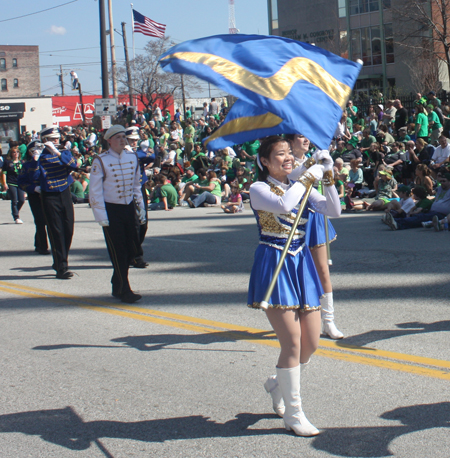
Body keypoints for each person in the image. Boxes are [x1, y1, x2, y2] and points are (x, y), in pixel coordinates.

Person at [248, 136, 340, 436]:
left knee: (311, 343)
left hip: (301, 263)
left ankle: (277, 384)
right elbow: (284, 204)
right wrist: (307, 176)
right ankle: (294, 413)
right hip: (274, 263)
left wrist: (326, 177)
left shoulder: (297, 184)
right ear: (265, 161)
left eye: (289, 153)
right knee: (292, 343)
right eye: (279, 154)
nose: (287, 158)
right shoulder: (258, 188)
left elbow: (333, 211)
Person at [286, 134, 343, 340]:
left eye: (307, 137)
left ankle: (328, 321)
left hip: (314, 215)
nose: (306, 140)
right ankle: (298, 318)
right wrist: (313, 162)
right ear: (291, 142)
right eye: (300, 137)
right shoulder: (286, 161)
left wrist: (327, 168)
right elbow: (293, 176)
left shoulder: (315, 157)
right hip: (291, 218)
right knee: (296, 272)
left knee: (322, 271)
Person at [89, 125, 145, 303]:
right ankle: (125, 289)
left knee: (132, 249)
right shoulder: (101, 160)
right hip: (111, 210)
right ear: (109, 141)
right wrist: (101, 217)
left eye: (124, 137)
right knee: (118, 251)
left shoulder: (132, 157)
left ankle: (117, 281)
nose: (122, 140)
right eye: (118, 137)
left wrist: (141, 208)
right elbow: (95, 192)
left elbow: (136, 185)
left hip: (128, 208)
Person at [37, 127, 77, 279]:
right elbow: (33, 175)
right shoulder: (39, 157)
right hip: (50, 195)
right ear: (45, 141)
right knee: (56, 231)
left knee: (68, 228)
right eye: (52, 139)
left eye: (57, 139)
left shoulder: (64, 153)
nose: (56, 141)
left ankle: (61, 259)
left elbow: (74, 165)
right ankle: (61, 266)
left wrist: (58, 152)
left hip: (64, 192)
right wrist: (35, 160)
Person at [126, 126, 155, 269]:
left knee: (143, 224)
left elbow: (152, 157)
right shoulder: (123, 153)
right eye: (131, 140)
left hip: (140, 187)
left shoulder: (137, 152)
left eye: (136, 140)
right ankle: (136, 256)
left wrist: (144, 149)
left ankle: (133, 252)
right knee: (134, 224)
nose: (134, 143)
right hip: (127, 190)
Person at [385, 170, 450, 230]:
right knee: (419, 217)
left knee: (420, 218)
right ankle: (394, 221)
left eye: (444, 181)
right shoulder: (440, 189)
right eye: (441, 181)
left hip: (441, 214)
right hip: (432, 211)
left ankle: (397, 224)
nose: (442, 183)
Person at [18, 141, 50, 254]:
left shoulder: (47, 161)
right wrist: (33, 188)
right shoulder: (27, 165)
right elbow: (21, 182)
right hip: (35, 195)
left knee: (49, 220)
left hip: (48, 193)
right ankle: (42, 246)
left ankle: (43, 244)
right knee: (40, 221)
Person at [1, 141, 25, 224]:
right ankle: (16, 217)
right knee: (14, 200)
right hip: (11, 183)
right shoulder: (7, 162)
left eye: (17, 152)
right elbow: (4, 173)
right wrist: (4, 183)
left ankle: (16, 211)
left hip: (20, 183)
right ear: (11, 153)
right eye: (14, 152)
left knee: (22, 200)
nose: (16, 153)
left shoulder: (22, 162)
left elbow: (25, 174)